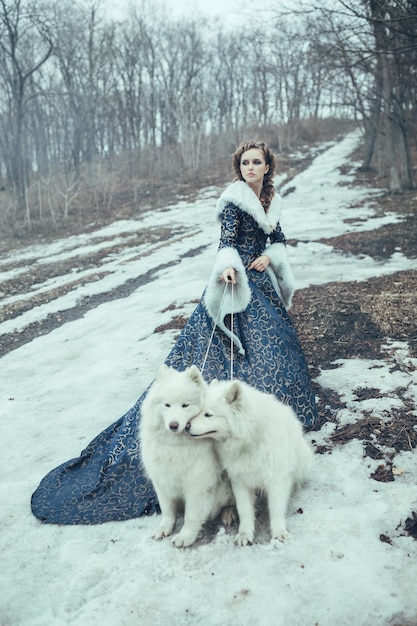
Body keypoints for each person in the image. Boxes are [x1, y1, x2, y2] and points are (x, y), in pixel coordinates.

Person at [31, 140, 320, 525]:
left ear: (268, 166)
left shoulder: (271, 200)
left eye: (257, 162)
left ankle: (266, 423)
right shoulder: (233, 200)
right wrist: (228, 267)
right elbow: (226, 243)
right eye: (245, 162)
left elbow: (278, 239)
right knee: (228, 352)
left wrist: (271, 256)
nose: (251, 167)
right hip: (236, 284)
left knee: (277, 350)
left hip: (263, 280)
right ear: (239, 167)